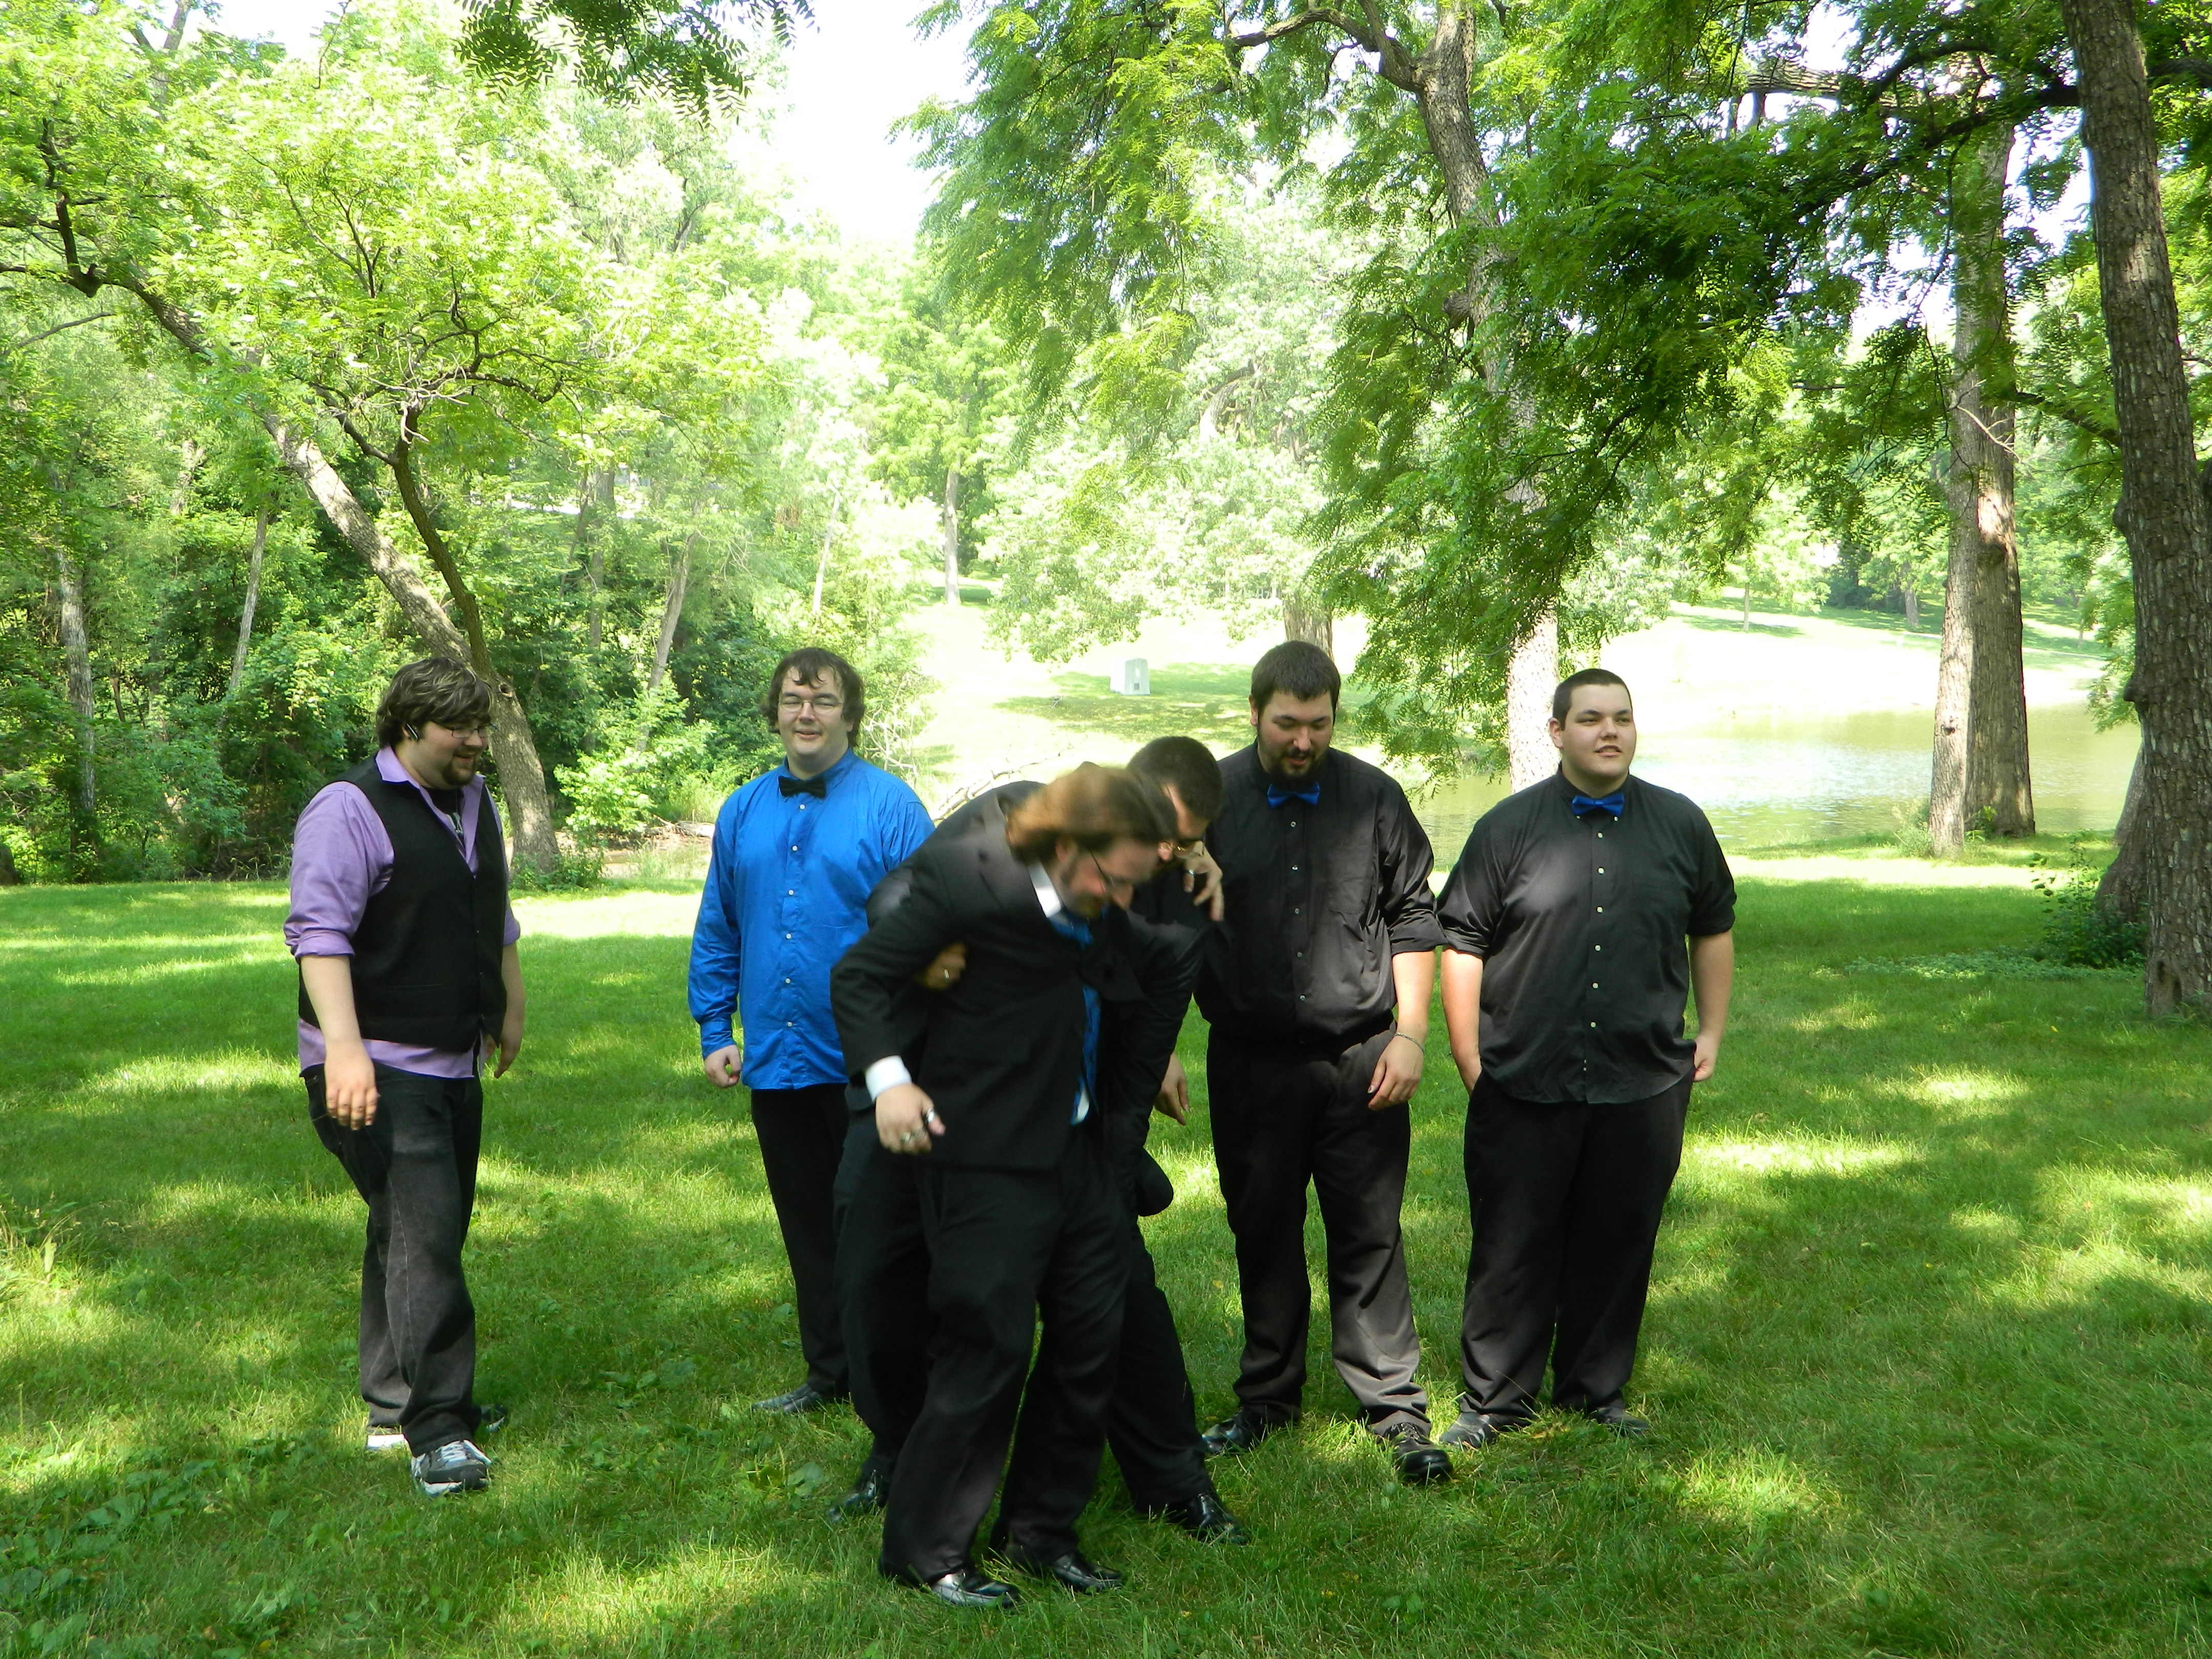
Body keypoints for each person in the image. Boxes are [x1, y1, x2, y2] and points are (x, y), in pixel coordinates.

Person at [826, 740, 1247, 1546]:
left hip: (1064, 1123)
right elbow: (897, 903)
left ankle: (1166, 1480)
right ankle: (901, 1454)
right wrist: (929, 966)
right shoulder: (1011, 822)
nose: (1163, 857)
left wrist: (1110, 1165)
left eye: (1181, 844)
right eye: (1156, 835)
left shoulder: (1167, 891)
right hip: (925, 1092)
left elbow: (1150, 1020)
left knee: (1115, 1301)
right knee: (878, 1281)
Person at [1435, 668, 1735, 1447]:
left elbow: (1713, 927)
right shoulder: (1507, 829)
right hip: (1523, 1073)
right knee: (1512, 1244)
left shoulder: (1681, 824)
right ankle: (1494, 1402)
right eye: (1592, 718)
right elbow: (1461, 942)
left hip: (1643, 1076)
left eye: (1622, 718)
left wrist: (1711, 1030)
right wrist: (1469, 1057)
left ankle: (1596, 1390)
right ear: (1557, 732)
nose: (1610, 732)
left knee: (1619, 1236)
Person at [1195, 640, 1452, 1486]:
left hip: (1362, 1061)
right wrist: (1157, 1050)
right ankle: (1267, 1401)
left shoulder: (1375, 797)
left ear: (1336, 716)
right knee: (1262, 1229)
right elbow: (1168, 926)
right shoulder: (1209, 802)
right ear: (1254, 713)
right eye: (1286, 724)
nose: (1302, 740)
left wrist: (1410, 1035)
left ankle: (1395, 1409)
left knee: (1369, 1234)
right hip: (1250, 1062)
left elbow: (1414, 918)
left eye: (1318, 724)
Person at [286, 657, 524, 1499]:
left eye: (482, 726)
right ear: (409, 727)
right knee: (425, 1241)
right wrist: (345, 1051)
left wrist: (509, 1004)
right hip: (378, 1065)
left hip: (452, 1059)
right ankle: (440, 1433)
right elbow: (319, 936)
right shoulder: (348, 808)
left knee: (414, 1230)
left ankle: (393, 1404)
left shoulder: (473, 800)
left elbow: (493, 913)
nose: (477, 742)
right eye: (461, 728)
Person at [688, 647, 932, 1414]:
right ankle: (829, 1374)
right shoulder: (742, 811)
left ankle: (897, 1373)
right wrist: (714, 1027)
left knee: (881, 1227)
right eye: (794, 700)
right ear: (775, 712)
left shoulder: (892, 807)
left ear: (849, 715)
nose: (806, 714)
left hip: (871, 1060)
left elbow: (933, 930)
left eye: (824, 701)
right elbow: (720, 923)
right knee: (807, 1225)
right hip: (779, 1054)